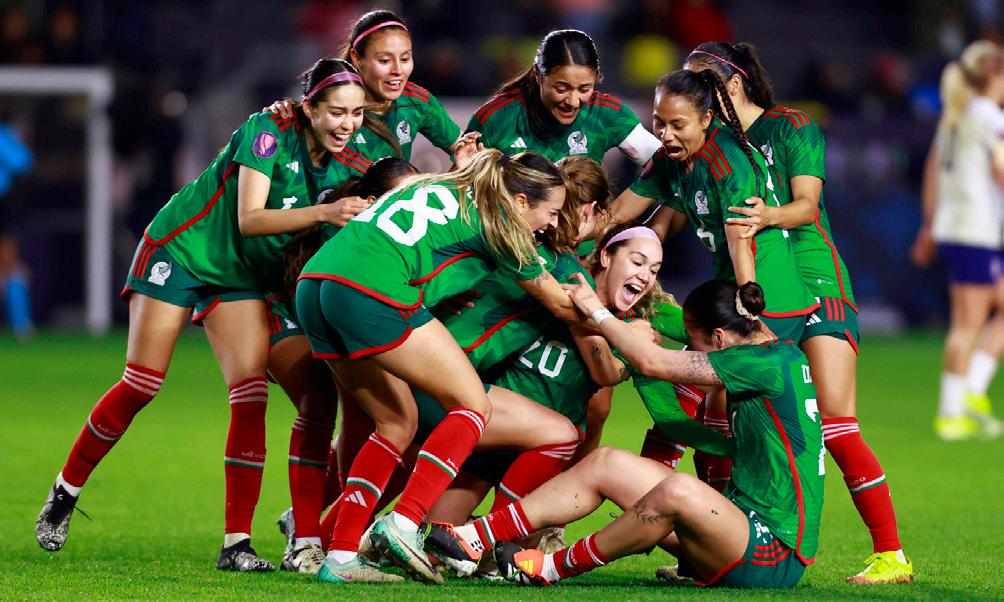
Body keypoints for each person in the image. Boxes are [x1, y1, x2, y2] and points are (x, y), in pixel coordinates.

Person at [35, 58, 369, 572]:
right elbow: (249, 219)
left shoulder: (350, 165)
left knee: (251, 393)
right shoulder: (268, 131)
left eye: (357, 113)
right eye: (337, 112)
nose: (347, 124)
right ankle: (65, 490)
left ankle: (237, 545)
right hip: (183, 250)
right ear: (310, 108)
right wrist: (325, 213)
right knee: (142, 383)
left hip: (240, 279)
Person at [679, 41, 914, 583]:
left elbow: (807, 207)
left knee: (836, 423)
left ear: (732, 84)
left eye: (702, 82)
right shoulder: (710, 146)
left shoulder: (791, 125)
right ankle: (707, 547)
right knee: (719, 412)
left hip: (816, 282)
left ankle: (890, 555)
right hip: (758, 290)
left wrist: (765, 217)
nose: (693, 93)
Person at [294, 149, 582, 584]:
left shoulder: (435, 183)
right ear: (521, 201)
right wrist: (613, 321)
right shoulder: (503, 221)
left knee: (396, 422)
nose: (553, 224)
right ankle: (404, 523)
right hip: (371, 289)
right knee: (472, 404)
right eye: (552, 212)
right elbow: (560, 304)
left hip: (315, 285)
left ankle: (340, 558)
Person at [435, 279, 823, 590]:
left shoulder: (759, 363)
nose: (691, 349)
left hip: (773, 553)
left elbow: (652, 362)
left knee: (678, 490)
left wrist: (596, 310)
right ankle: (475, 536)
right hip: (738, 525)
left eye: (694, 342)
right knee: (606, 462)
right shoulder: (776, 354)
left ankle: (549, 568)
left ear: (719, 339)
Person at [272, 156, 419, 575]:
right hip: (306, 321)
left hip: (334, 321)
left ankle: (319, 526)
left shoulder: (385, 229)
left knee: (379, 427)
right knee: (345, 413)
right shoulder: (353, 234)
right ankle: (318, 540)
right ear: (371, 201)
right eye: (402, 198)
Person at [913, 40, 1004, 441]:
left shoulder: (956, 115)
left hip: (960, 228)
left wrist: (929, 224)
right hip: (975, 230)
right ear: (994, 75)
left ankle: (970, 393)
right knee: (968, 324)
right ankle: (952, 412)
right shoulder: (987, 114)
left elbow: (933, 172)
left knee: (981, 315)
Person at [468, 28, 661, 168]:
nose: (573, 101)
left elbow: (668, 168)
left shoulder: (606, 114)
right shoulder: (495, 118)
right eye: (561, 89)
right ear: (538, 76)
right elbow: (460, 193)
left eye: (585, 89)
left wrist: (618, 210)